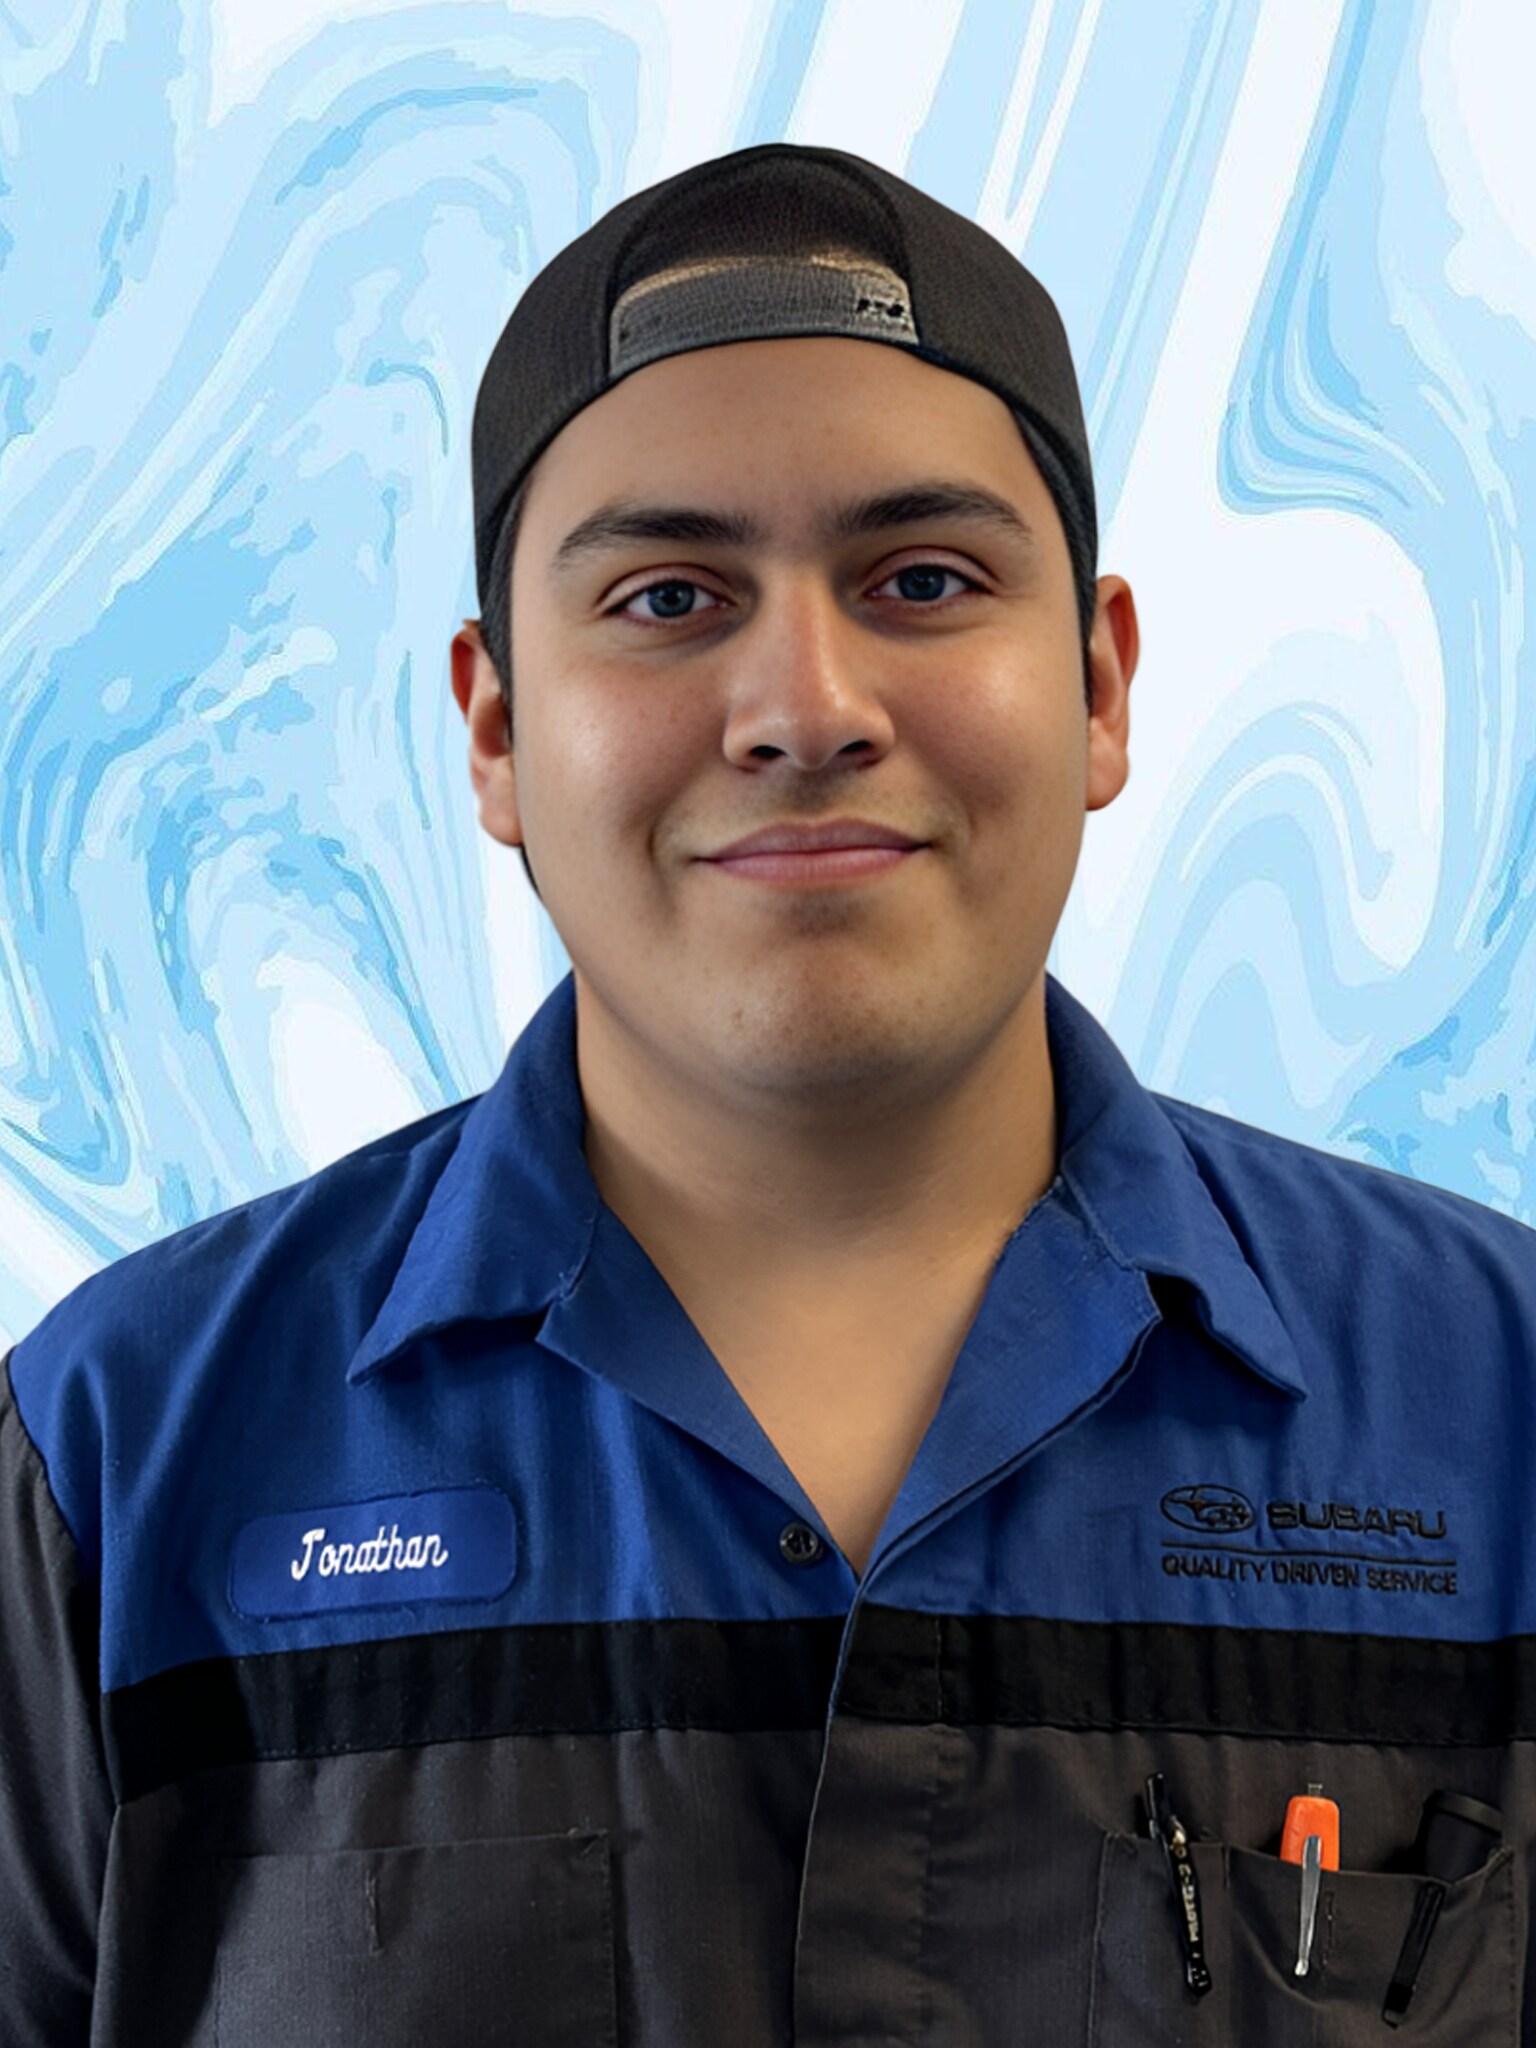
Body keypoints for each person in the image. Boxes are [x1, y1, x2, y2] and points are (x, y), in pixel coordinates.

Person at [1, 141, 1532, 2048]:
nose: (805, 709)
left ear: (1099, 685)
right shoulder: (118, 1456)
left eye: (922, 579)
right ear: (496, 728)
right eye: (668, 597)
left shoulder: (1501, 1406)